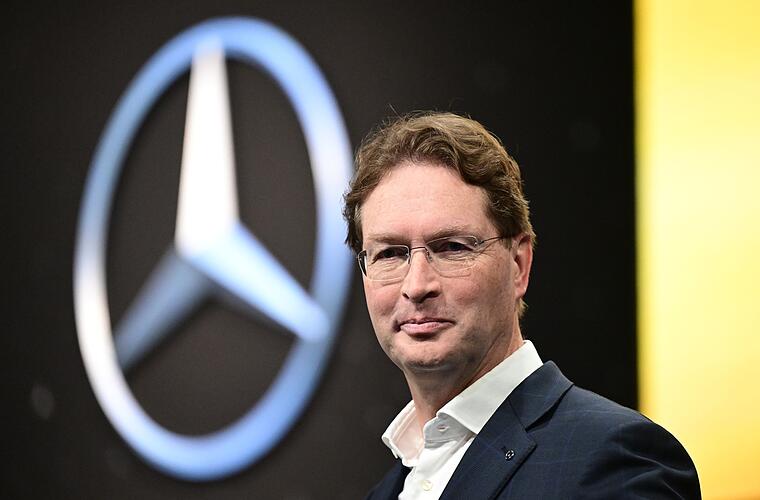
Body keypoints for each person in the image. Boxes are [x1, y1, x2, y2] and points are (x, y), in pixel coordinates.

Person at [343, 111, 700, 499]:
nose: (417, 286)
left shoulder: (616, 461)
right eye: (390, 253)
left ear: (519, 264)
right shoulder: (385, 493)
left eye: (452, 248)